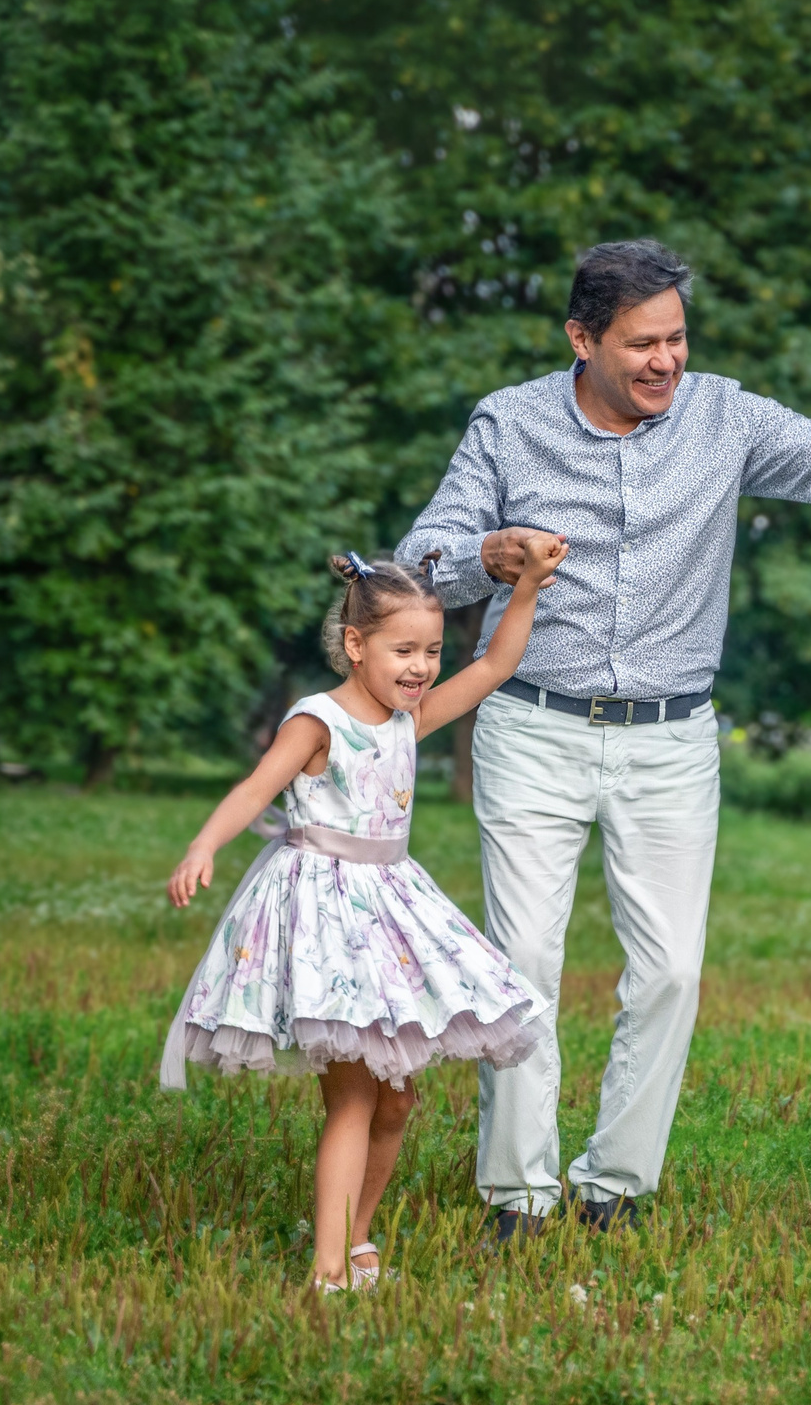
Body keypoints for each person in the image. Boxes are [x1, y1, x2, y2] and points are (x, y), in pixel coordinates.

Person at [397, 238, 811, 1241]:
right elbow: (418, 560)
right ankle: (517, 1197)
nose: (666, 360)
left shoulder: (724, 415)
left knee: (668, 970)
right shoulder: (510, 423)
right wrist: (490, 554)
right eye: (641, 343)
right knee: (522, 955)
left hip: (669, 737)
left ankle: (613, 1181)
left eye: (677, 338)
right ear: (582, 338)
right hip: (532, 722)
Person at [157, 543, 568, 1291]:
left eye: (431, 650)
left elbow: (493, 668)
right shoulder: (318, 721)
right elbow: (255, 790)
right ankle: (326, 1267)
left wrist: (531, 586)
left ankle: (356, 1235)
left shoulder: (405, 721)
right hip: (325, 915)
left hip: (390, 910)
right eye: (402, 649)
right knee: (352, 1094)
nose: (421, 666)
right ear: (355, 644)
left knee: (398, 1098)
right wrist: (202, 845)